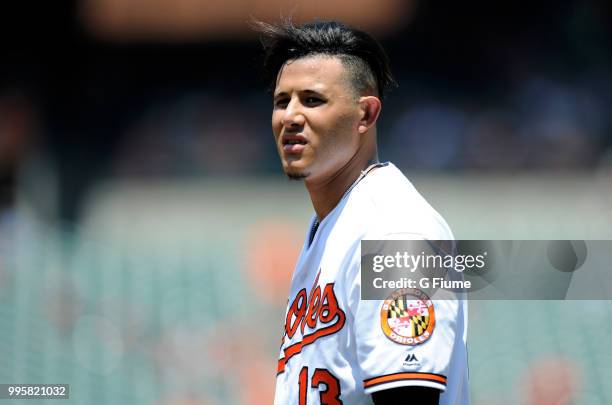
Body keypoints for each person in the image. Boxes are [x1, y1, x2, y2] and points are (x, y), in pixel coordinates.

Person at [256, 19, 469, 405]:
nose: (290, 116)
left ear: (366, 114)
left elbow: (409, 395)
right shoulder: (332, 222)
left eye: (312, 99)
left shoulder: (394, 230)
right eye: (281, 101)